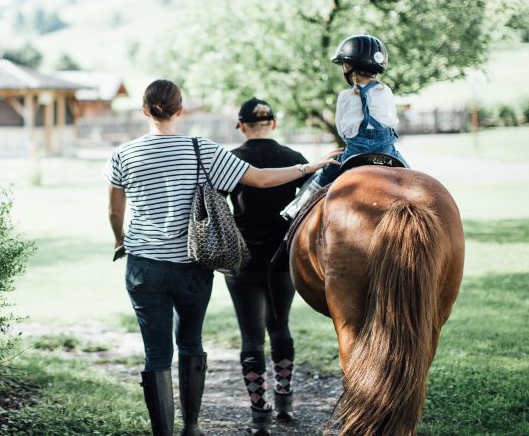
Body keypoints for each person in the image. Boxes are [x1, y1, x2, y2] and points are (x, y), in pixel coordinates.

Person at [103, 80, 339, 436]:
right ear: (180, 111)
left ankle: (163, 432)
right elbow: (259, 179)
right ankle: (193, 427)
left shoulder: (123, 155)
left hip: (143, 266)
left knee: (156, 353)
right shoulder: (202, 150)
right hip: (193, 266)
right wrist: (309, 168)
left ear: (145, 111)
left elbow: (113, 209)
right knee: (191, 343)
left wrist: (121, 239)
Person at [225, 98, 331, 435]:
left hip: (241, 260)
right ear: (273, 123)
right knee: (279, 325)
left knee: (251, 337)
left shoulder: (230, 160)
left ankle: (259, 414)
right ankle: (284, 399)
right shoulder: (296, 161)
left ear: (241, 126)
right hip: (283, 259)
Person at [281, 34, 407, 220]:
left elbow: (342, 129)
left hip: (355, 152)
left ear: (347, 67)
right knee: (411, 177)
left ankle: (297, 207)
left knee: (323, 178)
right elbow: (392, 120)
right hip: (386, 151)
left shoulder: (345, 96)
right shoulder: (386, 91)